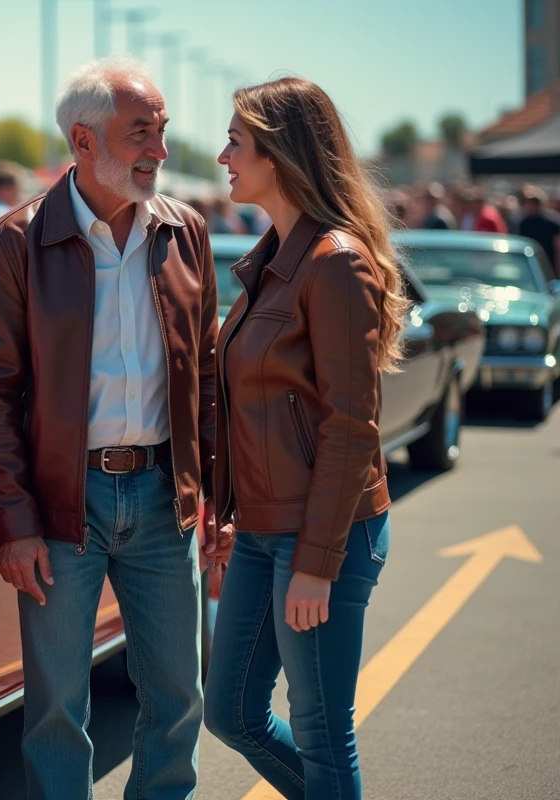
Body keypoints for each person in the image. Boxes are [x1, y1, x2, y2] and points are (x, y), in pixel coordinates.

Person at [0, 56, 228, 800]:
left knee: (178, 700)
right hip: (58, 508)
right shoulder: (15, 242)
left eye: (162, 131)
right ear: (83, 142)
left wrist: (215, 500)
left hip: (161, 501)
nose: (161, 150)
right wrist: (13, 523)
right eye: (140, 132)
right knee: (56, 712)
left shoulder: (186, 233)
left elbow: (207, 378)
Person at [204, 77, 409, 800]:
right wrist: (230, 513)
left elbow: (351, 427)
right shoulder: (271, 262)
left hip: (325, 535)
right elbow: (248, 405)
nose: (222, 153)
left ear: (280, 153)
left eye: (236, 140)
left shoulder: (334, 262)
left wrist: (317, 561)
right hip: (263, 530)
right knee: (228, 712)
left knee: (322, 733)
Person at [517, 185, 560, 280]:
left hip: (549, 264)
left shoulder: (552, 223)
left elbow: (557, 247)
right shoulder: (524, 223)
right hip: (528, 266)